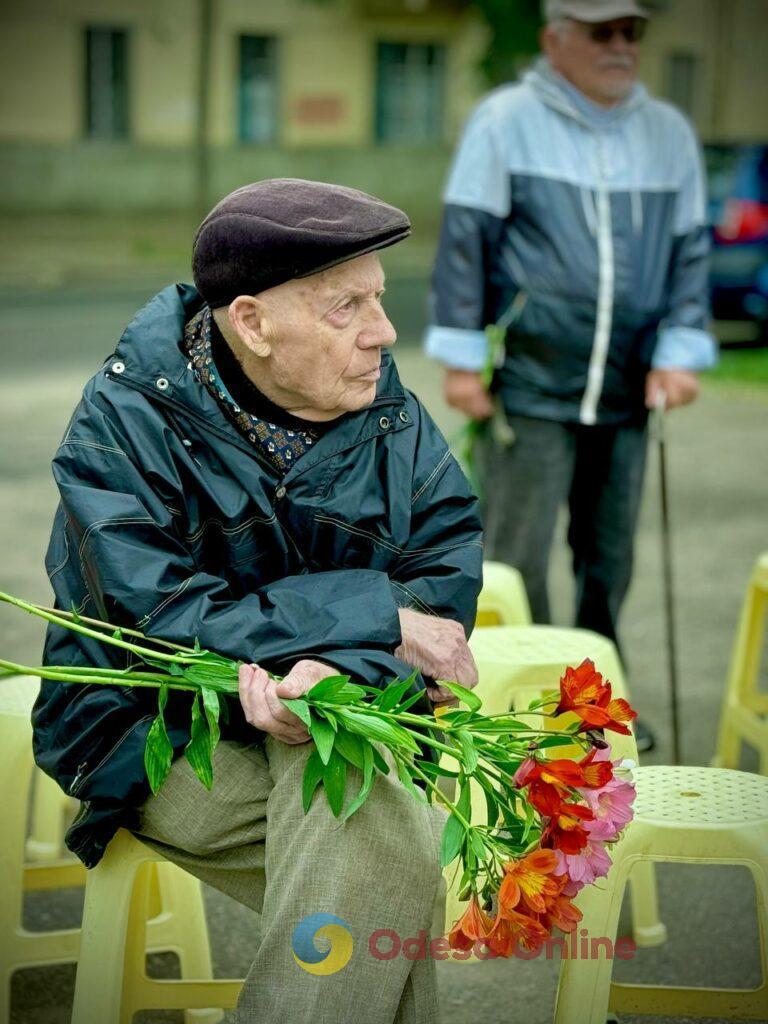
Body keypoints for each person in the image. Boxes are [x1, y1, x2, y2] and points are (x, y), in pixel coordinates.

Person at [32, 179, 483, 1023]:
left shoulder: (387, 411)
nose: (383, 333)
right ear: (253, 323)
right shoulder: (124, 425)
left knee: (367, 814)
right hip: (154, 729)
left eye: (379, 300)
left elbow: (443, 569)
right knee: (389, 838)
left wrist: (333, 674)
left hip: (327, 722)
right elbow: (158, 618)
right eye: (347, 308)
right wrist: (372, 623)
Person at [424, 0, 717, 751]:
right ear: (556, 38)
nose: (621, 46)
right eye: (602, 32)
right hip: (530, 381)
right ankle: (523, 709)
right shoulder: (505, 121)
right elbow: (465, 244)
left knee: (609, 557)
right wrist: (461, 360)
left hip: (629, 386)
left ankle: (593, 707)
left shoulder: (670, 135)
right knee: (515, 557)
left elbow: (689, 255)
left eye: (632, 33)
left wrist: (682, 349)